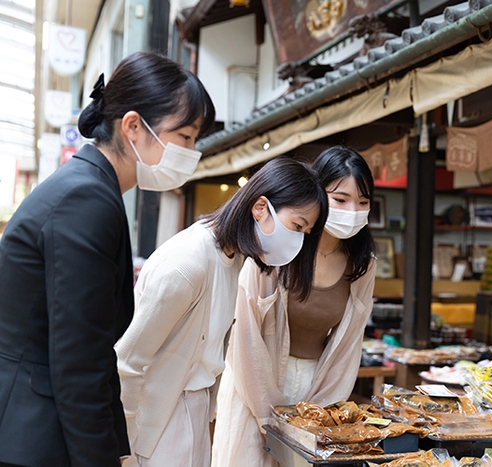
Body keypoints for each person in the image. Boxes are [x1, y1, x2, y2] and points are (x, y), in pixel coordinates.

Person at [0, 51, 215, 466]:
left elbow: (92, 356)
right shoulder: (87, 198)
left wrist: (120, 451)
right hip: (33, 435)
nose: (191, 151)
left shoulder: (92, 188)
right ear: (133, 126)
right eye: (185, 136)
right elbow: (79, 363)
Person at [116, 157, 327, 467]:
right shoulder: (187, 264)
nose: (298, 240)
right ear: (260, 208)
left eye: (305, 233)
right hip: (159, 420)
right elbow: (127, 363)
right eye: (297, 226)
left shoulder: (232, 258)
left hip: (193, 410)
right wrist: (124, 450)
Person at [211, 146, 377, 467]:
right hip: (254, 384)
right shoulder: (279, 246)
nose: (353, 210)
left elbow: (348, 346)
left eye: (364, 202)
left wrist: (319, 413)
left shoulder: (362, 264)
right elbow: (245, 335)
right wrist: (267, 416)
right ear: (316, 195)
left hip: (317, 388)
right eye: (341, 199)